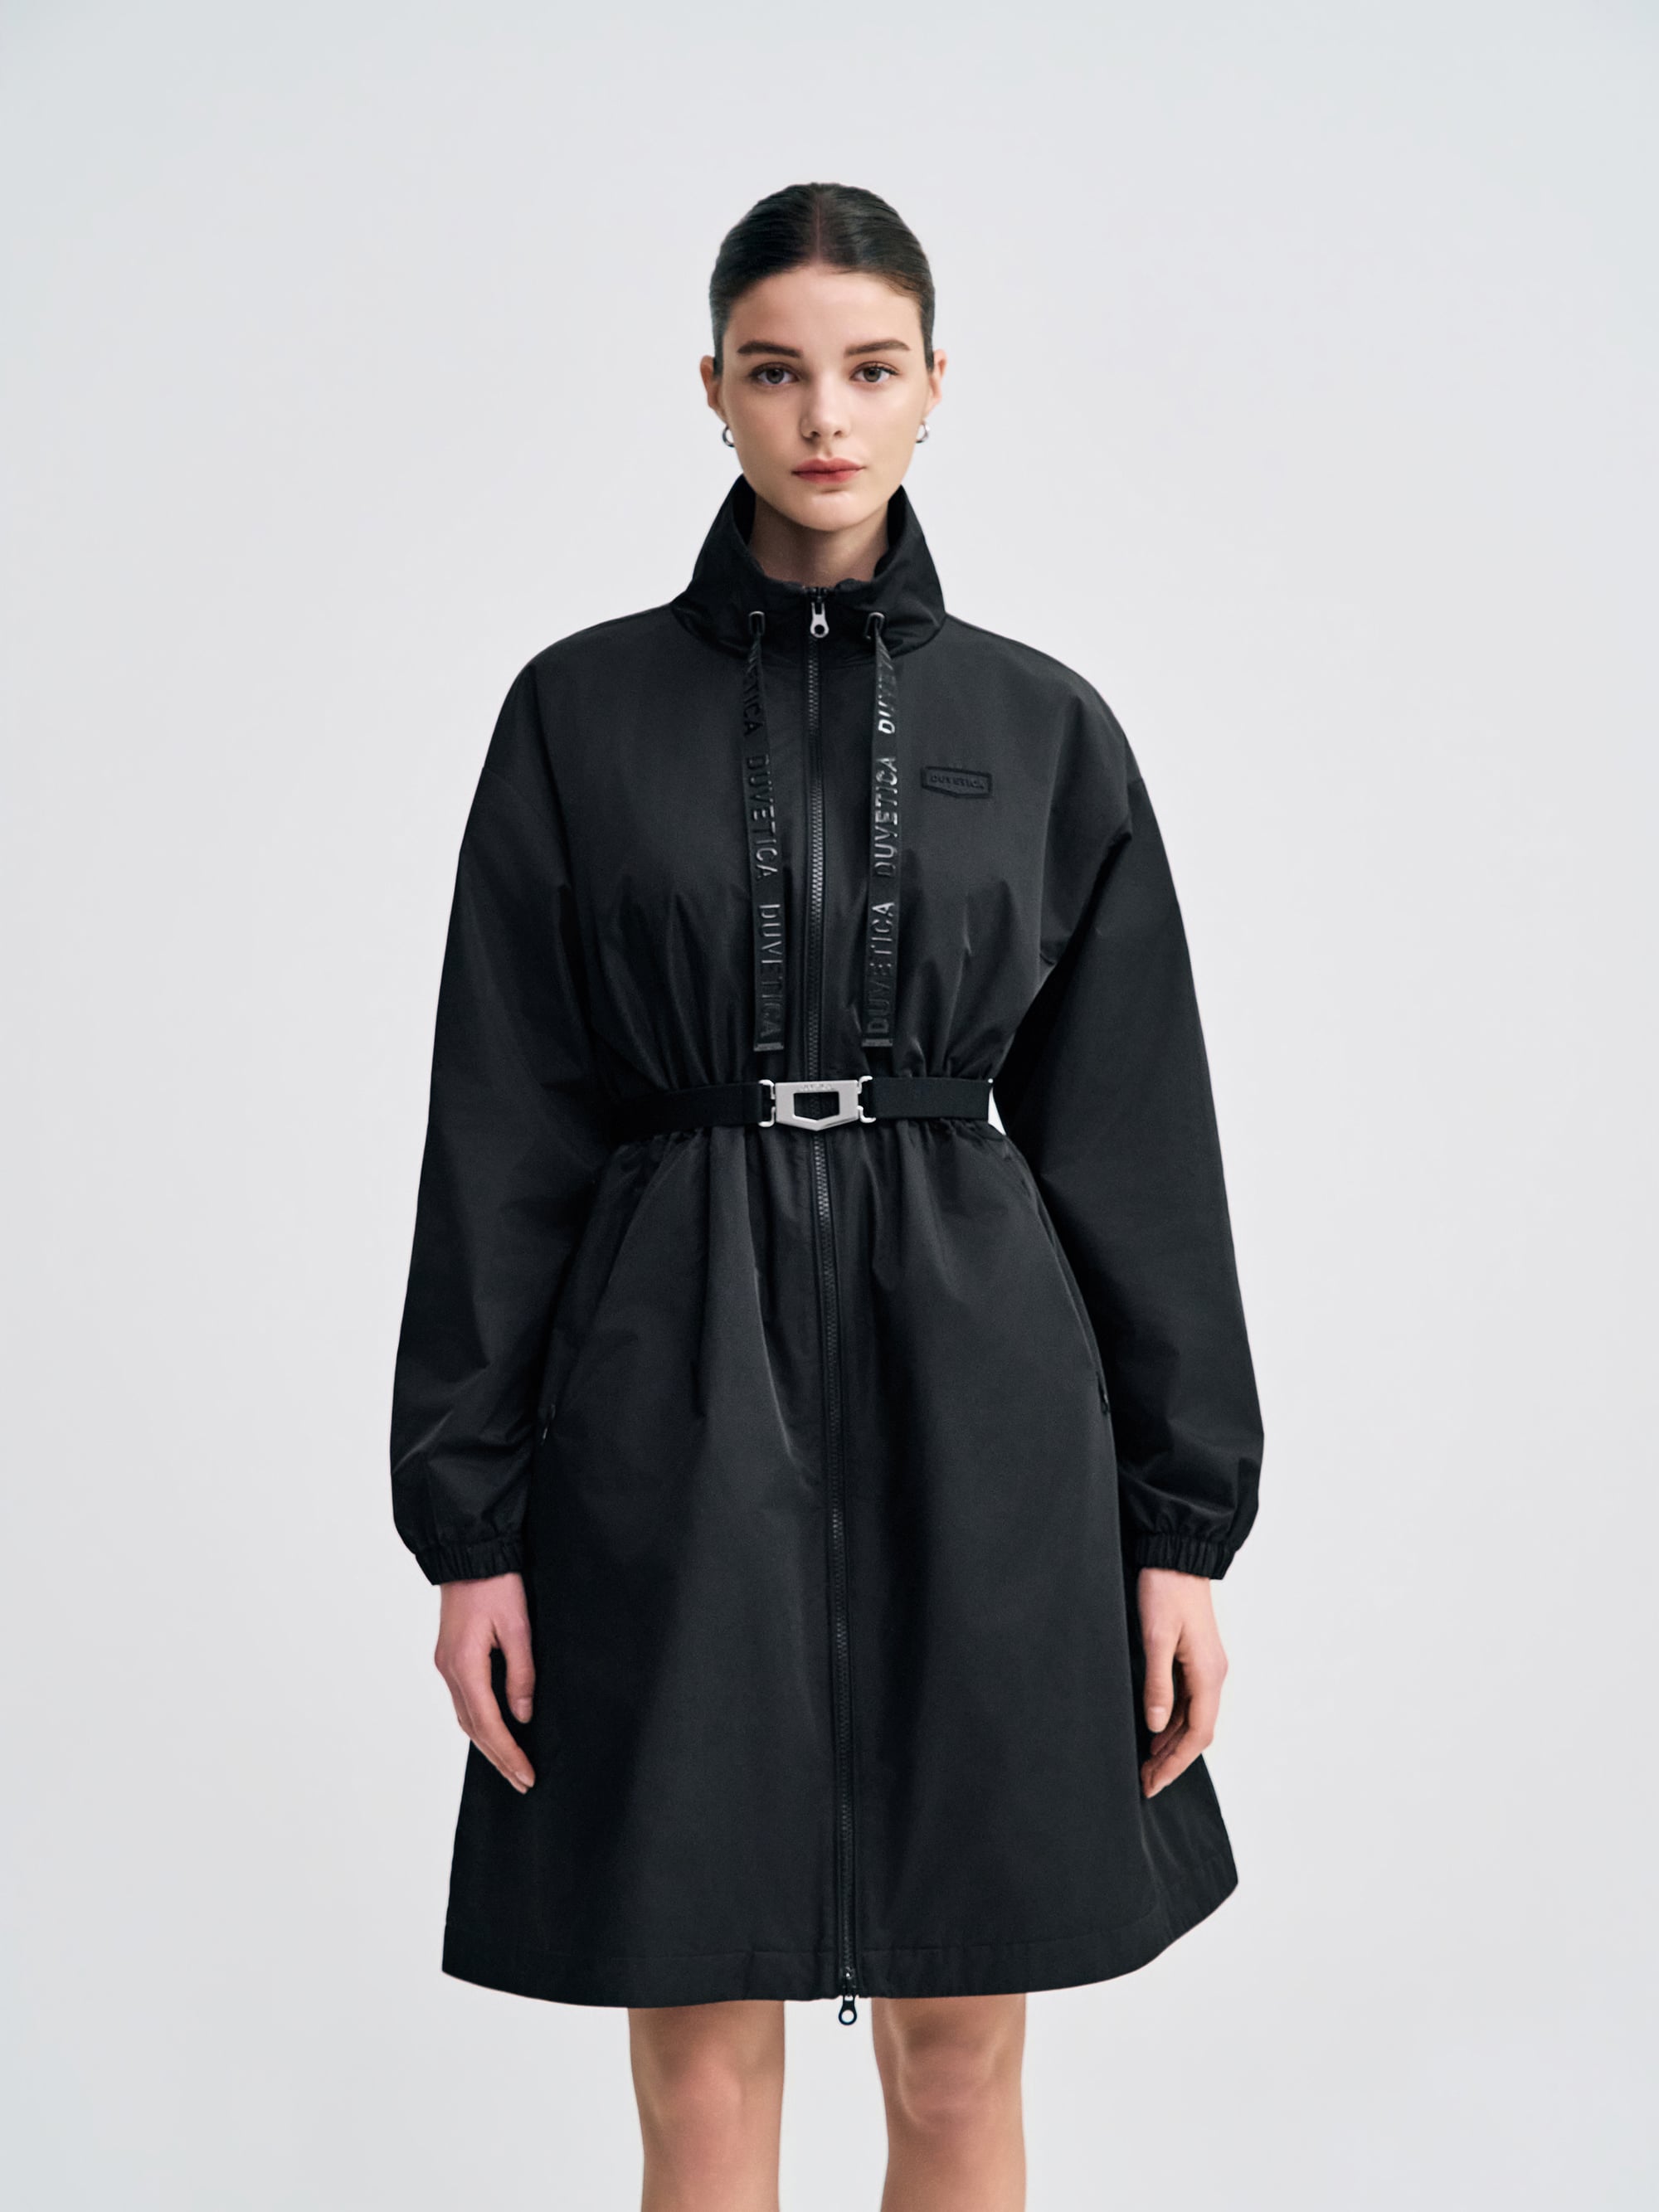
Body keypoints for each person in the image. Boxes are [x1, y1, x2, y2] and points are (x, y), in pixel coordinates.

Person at [390, 181, 1263, 2212]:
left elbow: (1135, 1140)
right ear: (710, 388)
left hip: (981, 1394)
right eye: (776, 372)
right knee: (700, 2060)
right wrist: (471, 1529)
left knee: (959, 2055)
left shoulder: (1040, 726)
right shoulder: (578, 712)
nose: (824, 416)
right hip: (664, 1388)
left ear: (936, 385)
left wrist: (1179, 1530)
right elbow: (500, 1127)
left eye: (869, 370)